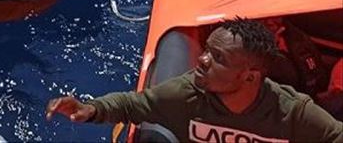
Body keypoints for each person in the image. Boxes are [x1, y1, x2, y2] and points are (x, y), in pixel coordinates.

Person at [46, 18, 343, 142]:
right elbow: (131, 105)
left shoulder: (291, 111)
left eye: (218, 58)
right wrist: (90, 109)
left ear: (250, 77)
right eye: (207, 50)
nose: (202, 60)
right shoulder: (187, 94)